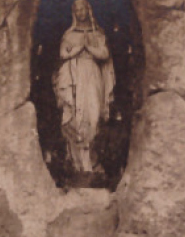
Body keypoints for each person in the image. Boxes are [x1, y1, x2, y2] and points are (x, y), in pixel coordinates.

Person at [55, 0, 115, 176]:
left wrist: (88, 46)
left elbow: (104, 54)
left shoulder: (97, 33)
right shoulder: (70, 34)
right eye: (77, 10)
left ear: (88, 10)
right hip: (75, 76)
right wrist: (79, 48)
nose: (80, 12)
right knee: (75, 116)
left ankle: (93, 160)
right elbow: (63, 54)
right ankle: (79, 165)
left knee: (94, 115)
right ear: (74, 13)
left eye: (83, 9)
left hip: (93, 75)